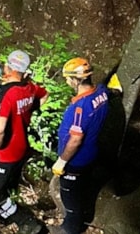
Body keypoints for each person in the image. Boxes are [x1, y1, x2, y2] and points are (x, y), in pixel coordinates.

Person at [0, 50, 48, 234]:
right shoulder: (29, 88)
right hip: (21, 148)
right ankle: (4, 214)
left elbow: (0, 128)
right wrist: (27, 112)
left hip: (6, 152)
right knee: (9, 183)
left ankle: (25, 221)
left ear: (7, 68)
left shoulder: (6, 95)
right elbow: (45, 95)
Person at [52, 58, 109, 234]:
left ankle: (70, 229)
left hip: (76, 161)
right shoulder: (101, 93)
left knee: (70, 198)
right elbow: (108, 90)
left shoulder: (80, 107)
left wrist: (62, 161)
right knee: (82, 190)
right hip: (92, 154)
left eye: (68, 79)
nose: (67, 82)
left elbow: (75, 139)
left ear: (76, 80)